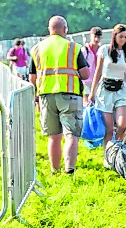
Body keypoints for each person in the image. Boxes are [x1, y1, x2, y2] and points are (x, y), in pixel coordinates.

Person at [29, 16, 90, 174]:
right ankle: (69, 170)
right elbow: (85, 73)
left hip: (46, 96)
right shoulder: (73, 47)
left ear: (49, 29)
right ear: (65, 29)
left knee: (53, 136)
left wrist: (36, 98)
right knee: (71, 135)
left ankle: (54, 171)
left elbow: (32, 78)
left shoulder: (37, 48)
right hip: (70, 94)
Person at [87, 24, 126, 166]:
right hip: (105, 89)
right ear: (114, 36)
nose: (123, 40)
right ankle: (108, 156)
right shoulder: (105, 50)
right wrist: (92, 92)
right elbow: (98, 72)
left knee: (122, 124)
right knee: (108, 129)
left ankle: (117, 153)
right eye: (121, 37)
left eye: (125, 37)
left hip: (120, 89)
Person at [80, 27, 102, 101]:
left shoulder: (101, 50)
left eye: (98, 37)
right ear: (90, 36)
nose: (96, 39)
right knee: (87, 102)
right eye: (94, 36)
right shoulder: (85, 50)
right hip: (86, 82)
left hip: (97, 82)